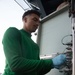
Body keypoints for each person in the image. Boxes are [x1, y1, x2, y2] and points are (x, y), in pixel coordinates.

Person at [2, 10, 66, 75]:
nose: (37, 24)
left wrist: (51, 65)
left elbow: (38, 71)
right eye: (35, 20)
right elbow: (15, 64)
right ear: (25, 19)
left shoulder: (35, 46)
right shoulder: (12, 32)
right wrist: (51, 62)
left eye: (38, 22)